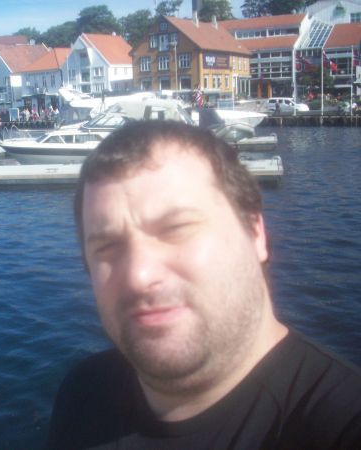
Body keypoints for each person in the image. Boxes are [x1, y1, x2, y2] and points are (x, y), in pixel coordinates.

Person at [47, 121, 361, 449]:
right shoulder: (83, 393)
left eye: (177, 228)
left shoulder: (342, 425)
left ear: (255, 234)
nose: (139, 275)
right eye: (107, 247)